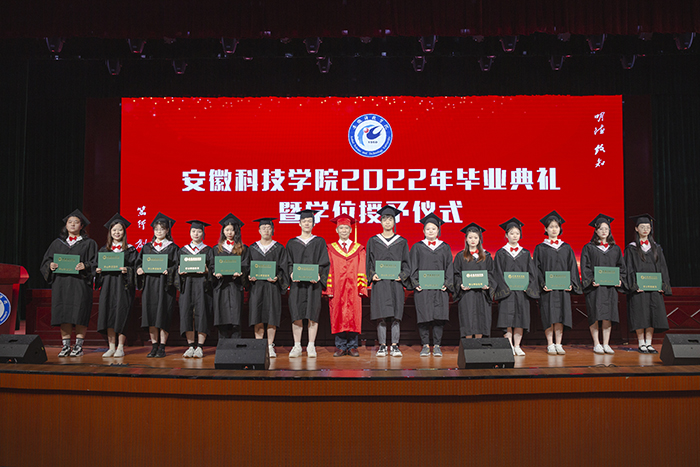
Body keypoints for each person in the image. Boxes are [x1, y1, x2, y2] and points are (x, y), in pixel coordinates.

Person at [40, 209, 98, 357]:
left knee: (80, 313)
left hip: (80, 284)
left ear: (81, 226)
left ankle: (78, 346)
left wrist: (85, 265)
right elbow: (46, 261)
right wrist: (50, 265)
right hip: (61, 284)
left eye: (76, 222)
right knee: (63, 314)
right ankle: (65, 346)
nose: (72, 224)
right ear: (66, 225)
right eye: (69, 222)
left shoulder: (89, 243)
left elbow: (96, 263)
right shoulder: (57, 243)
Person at [533, 211, 582, 355]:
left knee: (561, 315)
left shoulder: (566, 247)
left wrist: (571, 283)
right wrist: (542, 284)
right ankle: (550, 343)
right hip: (548, 289)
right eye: (551, 227)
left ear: (560, 229)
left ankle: (559, 344)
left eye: (556, 226)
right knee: (549, 315)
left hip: (562, 288)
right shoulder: (540, 248)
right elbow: (536, 268)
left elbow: (572, 266)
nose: (554, 229)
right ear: (545, 229)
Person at [366, 205, 411, 357]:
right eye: (384, 219)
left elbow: (406, 263)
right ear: (380, 222)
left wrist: (402, 275)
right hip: (380, 283)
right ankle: (382, 346)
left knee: (396, 315)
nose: (387, 222)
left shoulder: (401, 241)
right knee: (381, 315)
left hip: (395, 283)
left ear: (394, 221)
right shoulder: (373, 241)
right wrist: (372, 275)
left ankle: (395, 346)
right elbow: (369, 262)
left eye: (390, 219)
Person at [624, 214, 672, 354]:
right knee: (640, 314)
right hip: (639, 289)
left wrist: (663, 285)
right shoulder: (631, 248)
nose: (645, 229)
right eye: (642, 227)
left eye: (648, 227)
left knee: (652, 313)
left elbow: (663, 267)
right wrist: (634, 285)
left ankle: (649, 343)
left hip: (654, 288)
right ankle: (641, 343)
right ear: (636, 229)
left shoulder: (656, 248)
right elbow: (628, 268)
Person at [285, 210, 330, 358]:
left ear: (313, 224)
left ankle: (311, 345)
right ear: (299, 223)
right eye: (304, 221)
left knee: (313, 314)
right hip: (297, 285)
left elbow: (324, 262)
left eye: (309, 221)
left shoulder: (319, 241)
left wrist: (319, 274)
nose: (306, 223)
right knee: (296, 314)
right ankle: (297, 345)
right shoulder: (292, 243)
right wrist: (291, 273)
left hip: (313, 284)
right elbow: (288, 262)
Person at [580, 214, 626, 354]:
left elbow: (621, 267)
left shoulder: (615, 249)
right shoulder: (589, 248)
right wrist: (591, 280)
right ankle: (596, 343)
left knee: (608, 315)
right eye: (601, 229)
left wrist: (620, 280)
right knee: (595, 315)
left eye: (606, 229)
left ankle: (606, 344)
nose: (604, 231)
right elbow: (585, 267)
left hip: (610, 288)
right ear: (596, 231)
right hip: (595, 288)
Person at [493, 218, 539, 356]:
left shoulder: (525, 253)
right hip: (507, 292)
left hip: (521, 292)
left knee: (520, 318)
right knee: (507, 319)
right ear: (506, 235)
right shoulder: (501, 253)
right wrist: (504, 288)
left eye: (517, 233)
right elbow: (497, 273)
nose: (514, 236)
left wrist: (528, 287)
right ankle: (509, 345)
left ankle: (518, 345)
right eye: (511, 233)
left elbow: (532, 273)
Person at [410, 212, 454, 357]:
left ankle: (437, 346)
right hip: (423, 289)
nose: (430, 231)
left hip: (440, 289)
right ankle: (424, 345)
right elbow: (413, 266)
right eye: (428, 229)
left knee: (438, 318)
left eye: (433, 229)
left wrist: (447, 283)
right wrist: (415, 282)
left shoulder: (445, 247)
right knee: (424, 317)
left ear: (438, 231)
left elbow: (449, 267)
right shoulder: (417, 247)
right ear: (423, 231)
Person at [136, 212, 179, 358]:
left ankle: (162, 347)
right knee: (151, 315)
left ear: (167, 230)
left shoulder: (173, 248)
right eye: (156, 229)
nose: (159, 231)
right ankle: (154, 346)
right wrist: (139, 269)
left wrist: (170, 271)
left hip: (165, 286)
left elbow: (177, 266)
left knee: (163, 316)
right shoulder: (147, 247)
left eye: (162, 229)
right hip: (150, 285)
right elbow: (139, 264)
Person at [95, 213, 138, 358]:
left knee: (121, 315)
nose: (117, 232)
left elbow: (136, 269)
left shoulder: (130, 250)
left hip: (123, 287)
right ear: (110, 232)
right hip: (107, 286)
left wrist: (128, 270)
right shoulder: (104, 250)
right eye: (114, 230)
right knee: (108, 315)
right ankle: (111, 347)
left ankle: (120, 347)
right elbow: (96, 268)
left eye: (120, 230)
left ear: (124, 232)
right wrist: (98, 271)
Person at [325, 214, 368, 357]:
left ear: (350, 230)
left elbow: (362, 268)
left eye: (346, 228)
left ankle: (353, 346)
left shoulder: (359, 249)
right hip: (337, 287)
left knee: (354, 314)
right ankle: (340, 346)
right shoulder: (331, 249)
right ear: (337, 230)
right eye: (341, 228)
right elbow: (329, 269)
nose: (344, 230)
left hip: (354, 287)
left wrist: (362, 287)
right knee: (338, 314)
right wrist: (329, 288)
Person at [248, 217, 289, 358]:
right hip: (257, 287)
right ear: (259, 230)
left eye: (269, 228)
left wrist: (278, 277)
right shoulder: (252, 248)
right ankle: (259, 346)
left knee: (272, 317)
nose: (266, 230)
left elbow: (284, 268)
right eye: (263, 228)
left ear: (273, 230)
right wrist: (249, 276)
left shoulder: (279, 248)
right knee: (257, 316)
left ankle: (270, 345)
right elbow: (247, 267)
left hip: (272, 287)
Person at [453, 223, 496, 342]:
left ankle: (478, 344)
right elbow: (456, 274)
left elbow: (491, 273)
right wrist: (461, 284)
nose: (473, 240)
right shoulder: (460, 256)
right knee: (467, 318)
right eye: (470, 237)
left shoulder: (486, 256)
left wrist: (488, 285)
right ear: (466, 239)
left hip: (482, 294)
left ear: (479, 239)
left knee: (481, 318)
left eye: (475, 237)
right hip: (467, 294)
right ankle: (468, 345)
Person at [178, 220, 214, 358]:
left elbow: (213, 269)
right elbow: (176, 268)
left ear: (203, 233)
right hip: (187, 285)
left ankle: (200, 347)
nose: (196, 234)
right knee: (187, 314)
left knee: (202, 314)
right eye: (193, 231)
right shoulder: (183, 250)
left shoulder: (208, 250)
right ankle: (190, 346)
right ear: (189, 233)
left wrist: (207, 271)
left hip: (202, 286)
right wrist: (179, 271)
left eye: (199, 231)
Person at [212, 213, 249, 341]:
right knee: (221, 316)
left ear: (236, 232)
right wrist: (215, 273)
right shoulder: (216, 249)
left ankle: (236, 344)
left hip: (235, 286)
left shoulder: (242, 248)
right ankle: (222, 345)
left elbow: (245, 265)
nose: (229, 232)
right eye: (227, 230)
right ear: (223, 231)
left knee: (235, 317)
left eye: (232, 230)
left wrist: (240, 272)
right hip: (221, 287)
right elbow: (212, 265)